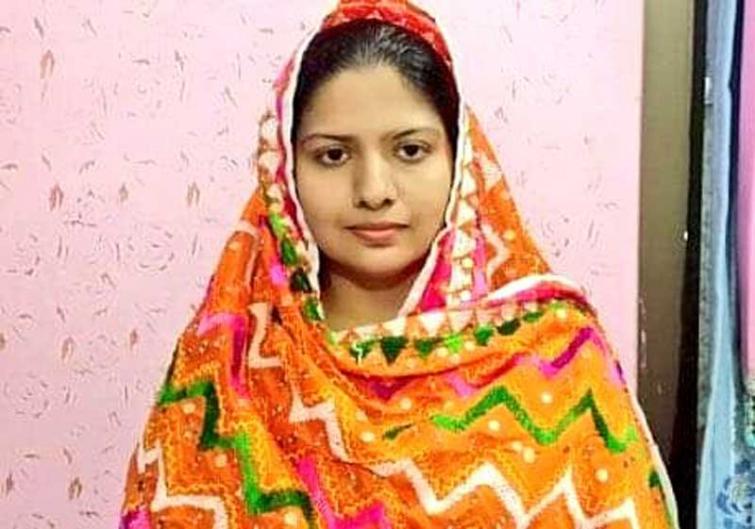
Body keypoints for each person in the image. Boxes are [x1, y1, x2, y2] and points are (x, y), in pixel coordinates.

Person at [118, 1, 678, 527]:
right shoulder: (231, 363)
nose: (374, 190)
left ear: (460, 159)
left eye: (410, 150)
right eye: (333, 155)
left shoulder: (555, 359)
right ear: (286, 173)